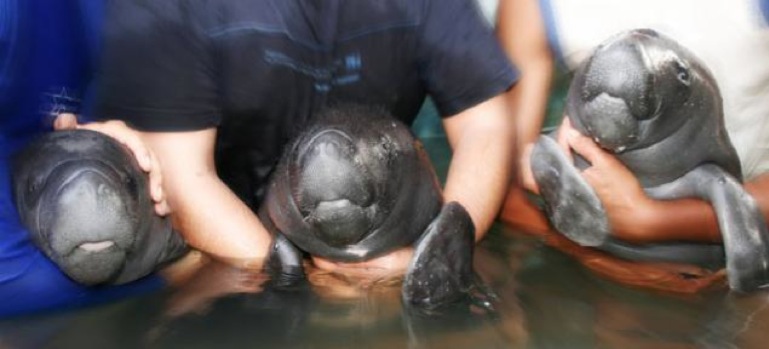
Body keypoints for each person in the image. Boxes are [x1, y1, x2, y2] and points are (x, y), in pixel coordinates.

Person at [90, 0, 518, 273]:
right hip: (227, 229)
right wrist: (290, 280)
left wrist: (435, 256)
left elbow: (484, 124)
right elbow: (184, 177)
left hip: (378, 204)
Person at [496, 0, 769, 291]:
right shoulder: (529, 6)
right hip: (597, 250)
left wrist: (651, 221)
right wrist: (601, 261)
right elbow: (507, 188)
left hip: (746, 233)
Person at [0, 0, 182, 317]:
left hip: (45, 185)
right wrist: (186, 267)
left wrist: (98, 135)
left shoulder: (97, 12)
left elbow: (64, 104)